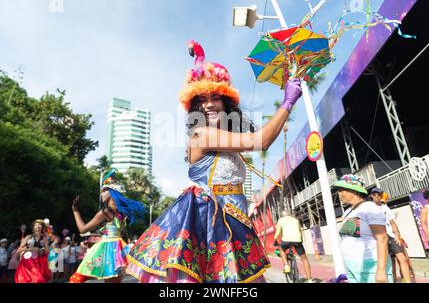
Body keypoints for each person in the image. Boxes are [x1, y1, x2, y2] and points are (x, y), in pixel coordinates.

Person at [126, 40, 302, 283]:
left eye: (215, 98)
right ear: (195, 105)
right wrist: (288, 102)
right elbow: (261, 140)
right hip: (211, 224)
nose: (209, 104)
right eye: (202, 99)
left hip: (234, 220)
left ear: (226, 103)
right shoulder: (202, 134)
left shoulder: (225, 139)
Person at [68, 178, 144, 283]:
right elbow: (124, 235)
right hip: (117, 248)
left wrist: (75, 211)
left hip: (107, 248)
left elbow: (82, 229)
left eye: (104, 191)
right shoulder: (121, 214)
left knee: (77, 278)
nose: (102, 194)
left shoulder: (105, 212)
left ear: (112, 193)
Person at [333, 175, 392, 283]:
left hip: (370, 266)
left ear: (354, 191)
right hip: (351, 265)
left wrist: (381, 270)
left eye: (342, 190)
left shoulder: (370, 207)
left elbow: (382, 238)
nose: (339, 194)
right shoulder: (347, 212)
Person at [369, 188, 412, 283]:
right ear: (371, 195)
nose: (377, 196)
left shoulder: (385, 208)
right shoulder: (369, 208)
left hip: (391, 236)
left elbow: (392, 222)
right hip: (379, 238)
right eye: (375, 194)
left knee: (403, 259)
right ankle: (394, 280)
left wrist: (397, 234)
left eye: (379, 194)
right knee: (390, 264)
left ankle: (408, 281)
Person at [273, 210, 313, 282]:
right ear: (290, 215)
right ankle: (310, 279)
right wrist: (301, 241)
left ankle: (286, 265)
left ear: (282, 215)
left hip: (286, 241)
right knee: (304, 259)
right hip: (297, 241)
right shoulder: (296, 220)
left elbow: (278, 231)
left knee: (281, 249)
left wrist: (275, 239)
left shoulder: (280, 220)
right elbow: (300, 232)